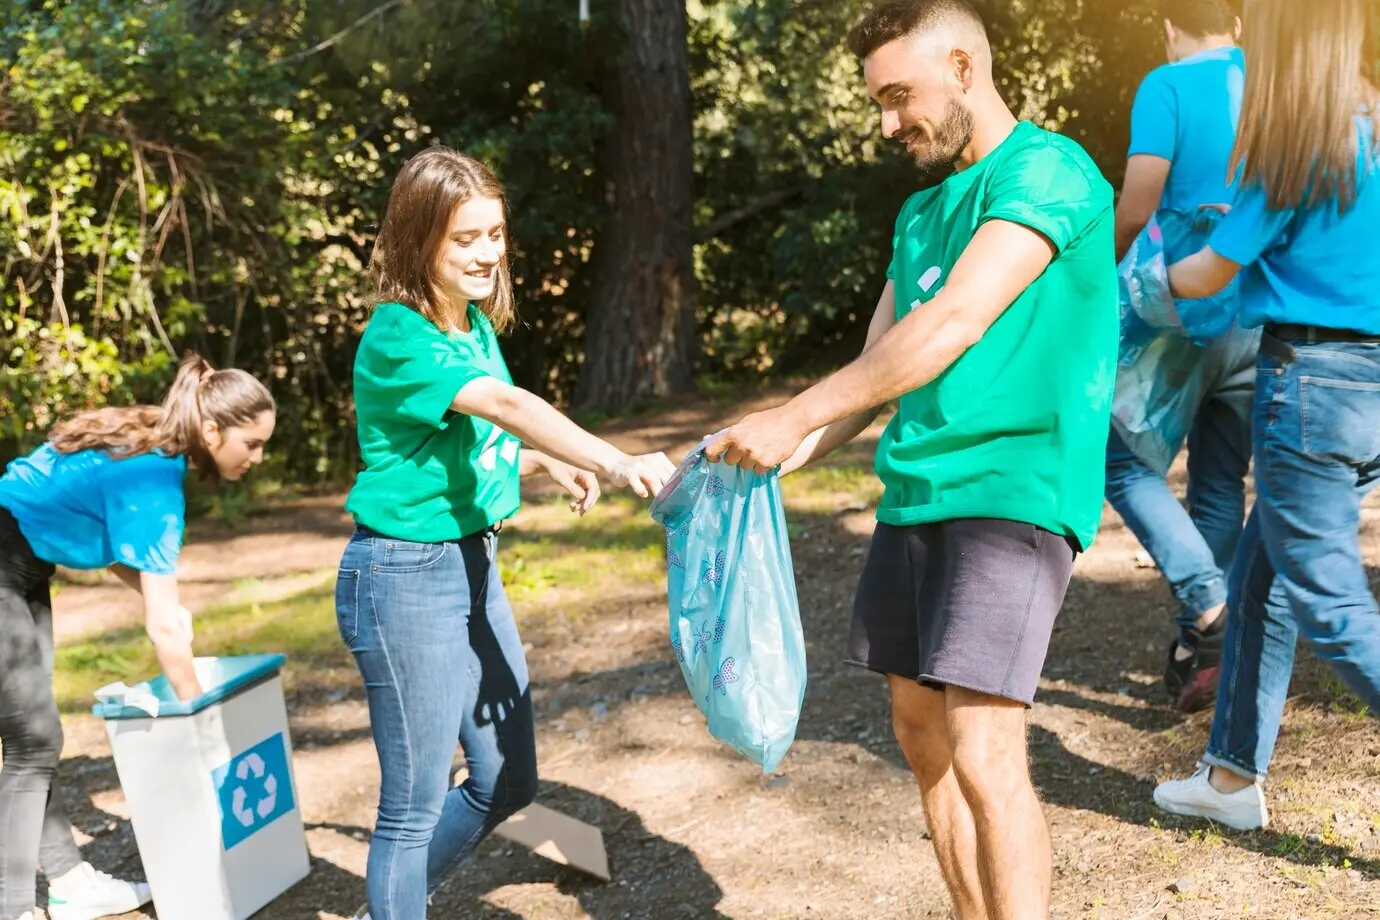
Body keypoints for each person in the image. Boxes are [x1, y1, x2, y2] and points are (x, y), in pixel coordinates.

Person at [707, 2, 1118, 917]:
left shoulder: (1046, 170)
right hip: (916, 491)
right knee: (920, 734)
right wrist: (761, 455)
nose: (889, 124)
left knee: (983, 746)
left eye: (900, 96)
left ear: (964, 67)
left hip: (1012, 491)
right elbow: (877, 372)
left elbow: (952, 322)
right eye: (879, 104)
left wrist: (791, 414)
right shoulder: (921, 211)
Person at [337, 147, 676, 920]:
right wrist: (610, 458)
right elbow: (506, 405)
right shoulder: (399, 336)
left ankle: (390, 906)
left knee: (507, 778)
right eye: (465, 238)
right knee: (412, 805)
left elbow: (455, 445)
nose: (487, 253)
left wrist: (540, 463)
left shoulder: (472, 324)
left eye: (494, 234)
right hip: (401, 576)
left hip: (470, 565)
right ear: (418, 239)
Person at [1152, 0, 1380, 831]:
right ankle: (1229, 778)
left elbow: (1207, 274)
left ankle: (1230, 775)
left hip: (1312, 388)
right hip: (1370, 385)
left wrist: (1137, 279)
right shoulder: (1369, 125)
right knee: (1260, 578)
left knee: (1330, 603)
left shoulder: (1296, 140)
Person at [0, 354, 277, 920]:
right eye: (251, 444)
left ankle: (68, 882)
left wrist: (161, 602)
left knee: (34, 739)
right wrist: (201, 719)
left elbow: (120, 553)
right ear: (212, 431)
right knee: (33, 740)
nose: (258, 457)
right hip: (7, 561)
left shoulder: (151, 440)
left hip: (23, 564)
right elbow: (162, 629)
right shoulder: (154, 479)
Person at [1105, 0, 1253, 711]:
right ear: (1237, 22)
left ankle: (1209, 606)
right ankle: (1200, 654)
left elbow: (1137, 206)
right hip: (1259, 303)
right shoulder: (1271, 79)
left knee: (1118, 458)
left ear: (1169, 28)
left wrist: (1099, 275)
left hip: (1183, 304)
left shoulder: (1166, 84)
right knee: (1220, 483)